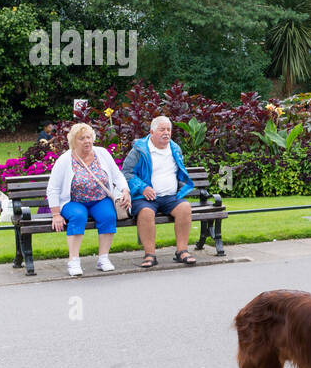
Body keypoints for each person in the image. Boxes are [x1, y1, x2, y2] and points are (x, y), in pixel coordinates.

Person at [45, 122, 131, 276]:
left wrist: (125, 190)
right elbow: (53, 188)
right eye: (81, 138)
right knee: (78, 216)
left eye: (89, 137)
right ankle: (74, 260)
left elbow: (117, 175)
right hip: (73, 201)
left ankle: (103, 258)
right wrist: (56, 214)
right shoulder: (65, 160)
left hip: (99, 198)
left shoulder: (102, 153)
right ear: (73, 141)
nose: (87, 141)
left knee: (108, 215)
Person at [121, 115, 197, 267]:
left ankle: (182, 251)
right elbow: (126, 172)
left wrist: (183, 185)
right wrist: (142, 187)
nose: (166, 133)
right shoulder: (139, 150)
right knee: (146, 213)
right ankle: (150, 255)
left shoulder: (175, 148)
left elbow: (179, 172)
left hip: (170, 197)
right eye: (162, 129)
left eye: (169, 130)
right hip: (145, 198)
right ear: (152, 132)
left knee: (185, 208)